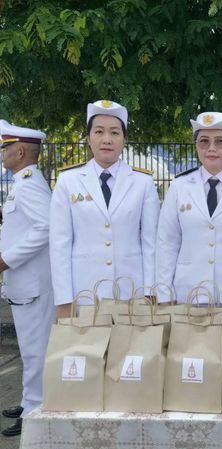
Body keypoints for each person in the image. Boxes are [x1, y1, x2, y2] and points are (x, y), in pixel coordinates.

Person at [50, 100, 160, 316]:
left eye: (115, 133)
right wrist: (64, 299)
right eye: (99, 131)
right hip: (84, 294)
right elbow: (59, 245)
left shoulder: (143, 182)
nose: (107, 139)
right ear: (88, 138)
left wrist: (150, 291)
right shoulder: (68, 181)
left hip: (131, 292)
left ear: (124, 139)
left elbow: (151, 243)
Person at [155, 112, 222, 303]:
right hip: (188, 294)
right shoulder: (179, 186)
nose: (211, 148)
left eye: (220, 141)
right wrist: (164, 292)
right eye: (204, 141)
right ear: (196, 146)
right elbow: (167, 242)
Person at [0, 121, 55, 437]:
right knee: (30, 348)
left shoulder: (29, 183)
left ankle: (35, 410)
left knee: (36, 350)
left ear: (20, 151)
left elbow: (45, 227)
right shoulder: (23, 182)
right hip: (25, 283)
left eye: (5, 148)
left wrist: (6, 259)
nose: (3, 154)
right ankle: (28, 401)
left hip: (33, 284)